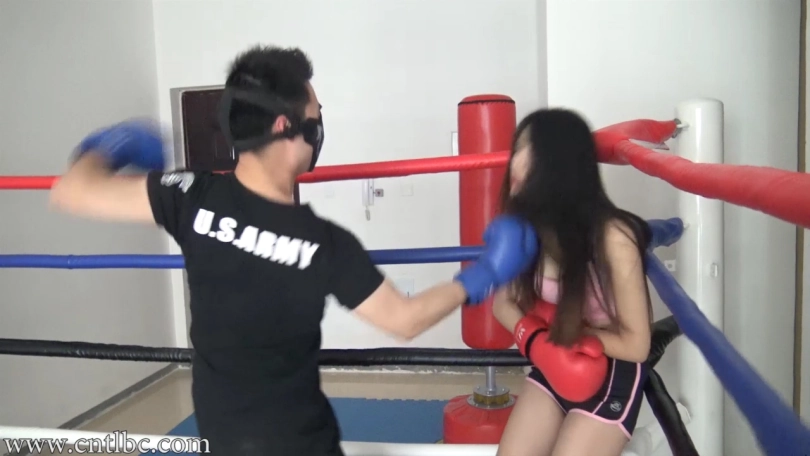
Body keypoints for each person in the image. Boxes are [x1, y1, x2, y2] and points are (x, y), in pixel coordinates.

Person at [48, 45, 538, 456]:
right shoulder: (322, 242)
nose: (319, 128)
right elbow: (404, 320)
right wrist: (483, 274)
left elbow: (71, 191)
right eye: (316, 118)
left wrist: (112, 145)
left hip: (222, 438)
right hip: (301, 442)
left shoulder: (189, 195)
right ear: (287, 127)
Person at [491, 108, 653, 456]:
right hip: (552, 358)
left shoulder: (613, 237)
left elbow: (638, 345)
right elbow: (502, 302)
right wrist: (539, 341)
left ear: (557, 161)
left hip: (612, 373)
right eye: (516, 149)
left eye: (527, 150)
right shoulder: (528, 230)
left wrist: (575, 335)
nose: (514, 161)